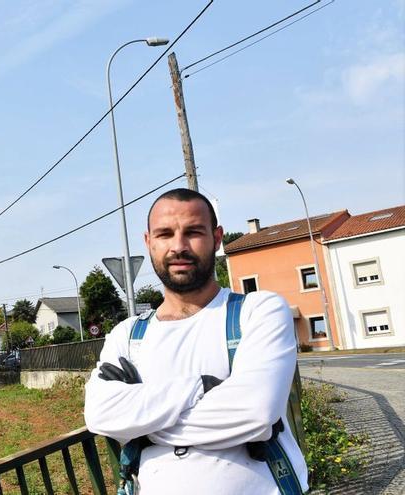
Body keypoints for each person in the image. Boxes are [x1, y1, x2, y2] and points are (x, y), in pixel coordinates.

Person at [84, 188, 308, 494]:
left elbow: (256, 413)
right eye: (164, 234)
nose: (178, 246)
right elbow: (101, 413)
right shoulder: (127, 334)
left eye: (193, 232)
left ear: (217, 239)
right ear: (149, 243)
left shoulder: (257, 312)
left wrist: (147, 426)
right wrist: (201, 387)